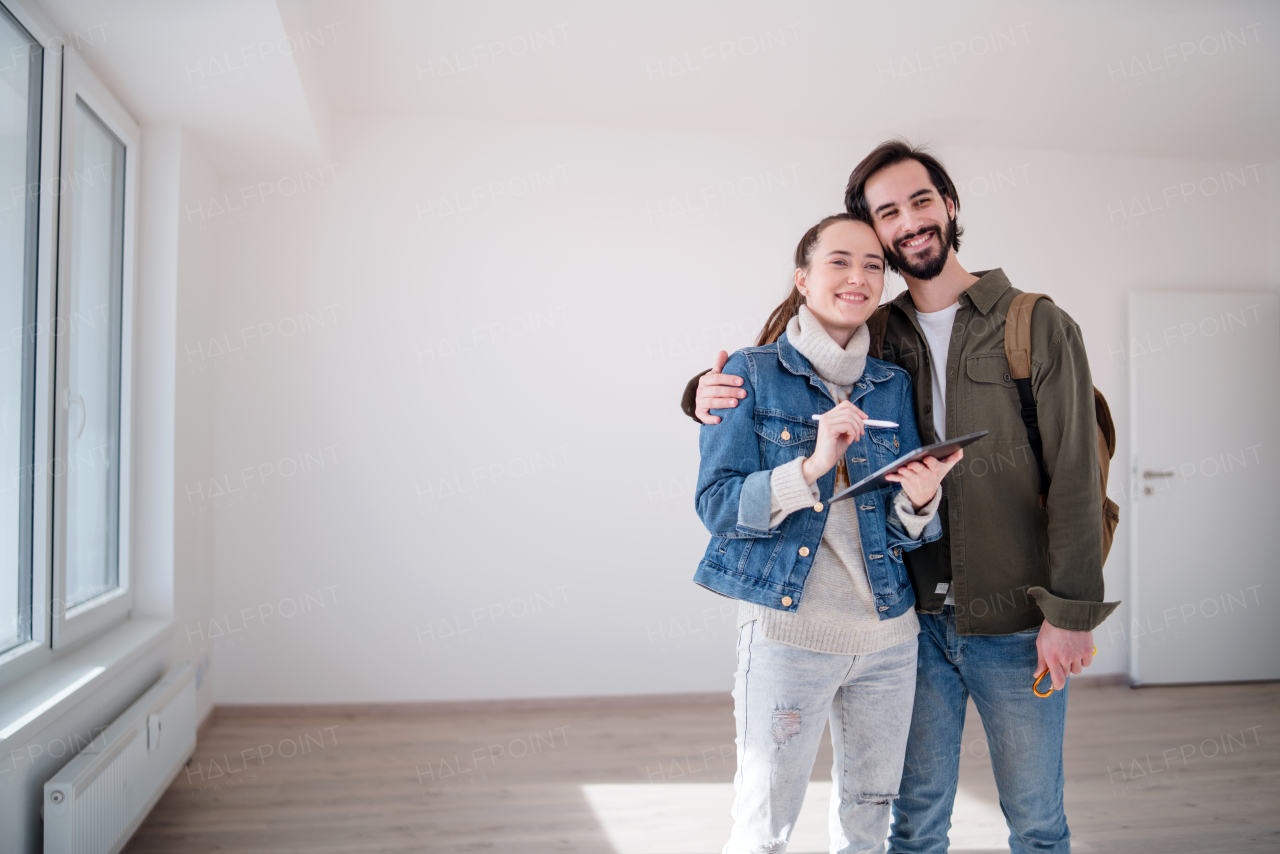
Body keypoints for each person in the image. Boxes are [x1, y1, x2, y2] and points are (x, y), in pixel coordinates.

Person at [688, 141, 1118, 854]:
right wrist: (697, 395)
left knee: (1038, 822)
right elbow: (778, 373)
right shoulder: (876, 329)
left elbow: (1076, 476)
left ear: (949, 207)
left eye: (921, 201)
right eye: (888, 213)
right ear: (874, 234)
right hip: (912, 622)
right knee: (910, 826)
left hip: (1015, 622)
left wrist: (1070, 613)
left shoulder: (1035, 323)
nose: (910, 221)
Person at [695, 212, 962, 853]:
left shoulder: (893, 386)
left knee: (869, 814)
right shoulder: (749, 375)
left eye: (874, 265)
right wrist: (811, 466)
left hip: (889, 640)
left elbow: (897, 535)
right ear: (804, 278)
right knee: (766, 818)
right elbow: (718, 505)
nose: (859, 277)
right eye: (840, 261)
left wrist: (922, 505)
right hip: (789, 635)